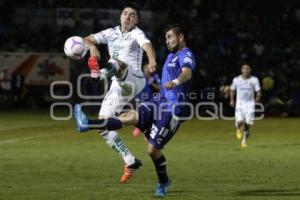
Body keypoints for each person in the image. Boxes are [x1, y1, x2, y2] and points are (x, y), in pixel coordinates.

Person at [74, 24, 196, 197]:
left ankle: (164, 182)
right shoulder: (170, 56)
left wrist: (176, 82)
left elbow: (187, 73)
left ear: (181, 37)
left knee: (152, 151)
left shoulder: (186, 54)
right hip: (158, 101)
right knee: (128, 116)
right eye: (166, 38)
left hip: (174, 109)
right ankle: (87, 123)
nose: (167, 41)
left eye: (170, 37)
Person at [83, 2, 157, 183]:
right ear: (120, 16)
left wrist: (152, 59)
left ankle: (98, 76)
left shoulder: (136, 33)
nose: (128, 16)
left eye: (132, 15)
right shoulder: (111, 32)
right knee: (102, 125)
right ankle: (129, 160)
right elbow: (87, 39)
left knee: (117, 62)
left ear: (136, 20)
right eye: (125, 13)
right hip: (117, 83)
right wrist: (92, 47)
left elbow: (147, 45)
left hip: (135, 78)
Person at [230, 64, 261, 148]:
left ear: (250, 70)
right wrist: (232, 99)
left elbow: (258, 91)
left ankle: (244, 141)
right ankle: (238, 128)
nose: (246, 70)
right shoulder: (236, 80)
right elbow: (232, 89)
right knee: (240, 121)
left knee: (248, 123)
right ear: (241, 70)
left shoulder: (254, 80)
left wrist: (258, 97)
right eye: (244, 68)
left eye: (247, 68)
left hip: (250, 103)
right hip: (240, 103)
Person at [133, 63, 161, 137]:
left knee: (151, 118)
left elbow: (160, 88)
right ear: (145, 68)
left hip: (150, 100)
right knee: (140, 117)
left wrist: (151, 83)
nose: (152, 69)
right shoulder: (139, 75)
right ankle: (140, 129)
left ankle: (148, 132)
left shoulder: (154, 76)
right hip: (140, 99)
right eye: (149, 67)